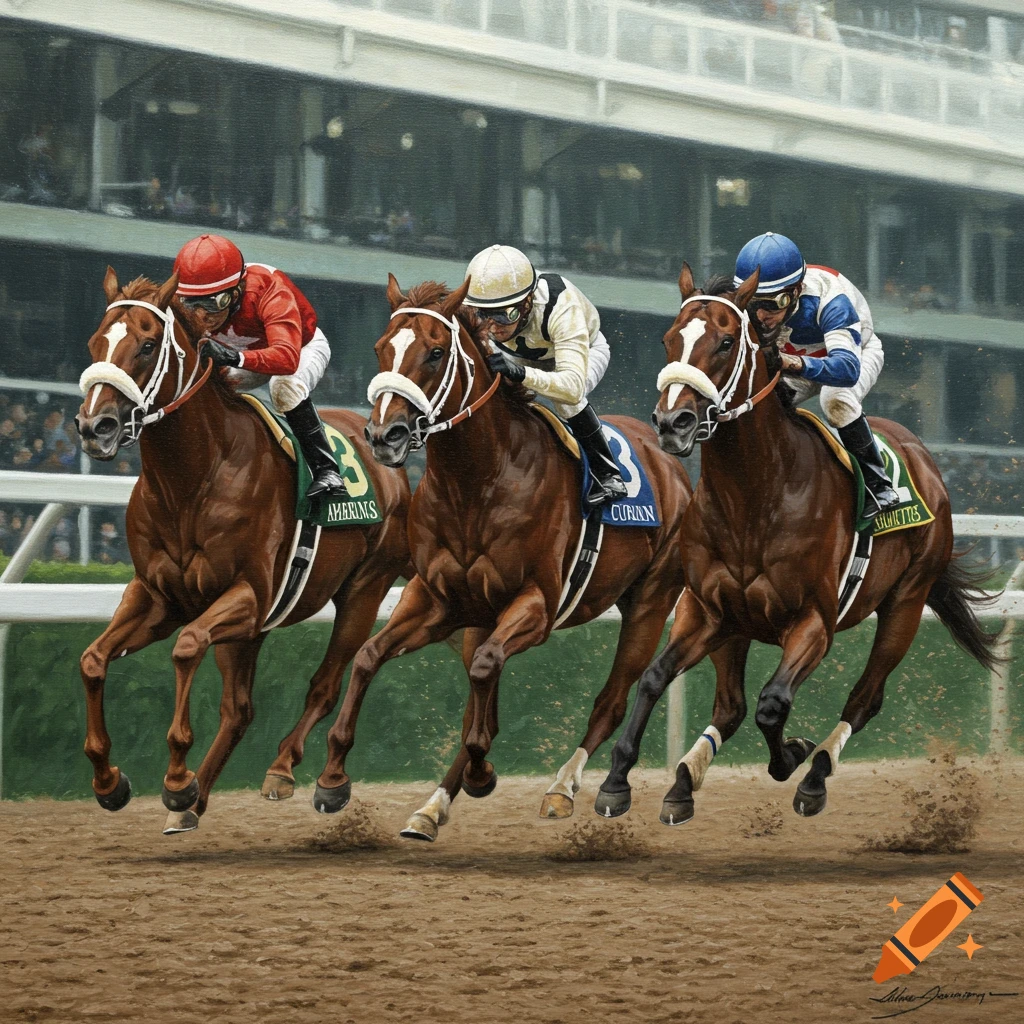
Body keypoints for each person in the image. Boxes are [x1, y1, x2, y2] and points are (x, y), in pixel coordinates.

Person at [734, 231, 900, 520]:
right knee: (760, 402)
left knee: (836, 401)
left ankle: (880, 486)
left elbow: (847, 370)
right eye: (754, 304)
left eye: (773, 304)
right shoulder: (755, 309)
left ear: (795, 291)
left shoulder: (830, 300)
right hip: (798, 357)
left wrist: (793, 362)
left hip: (855, 353)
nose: (761, 315)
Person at [172, 233, 345, 499]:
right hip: (246, 354)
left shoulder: (268, 288)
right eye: (190, 304)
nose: (201, 316)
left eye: (211, 303)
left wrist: (233, 358)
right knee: (207, 387)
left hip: (300, 347)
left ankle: (327, 471)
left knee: (284, 387)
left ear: (237, 290)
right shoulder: (188, 304)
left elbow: (286, 359)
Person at [461, 244, 628, 509]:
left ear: (527, 302)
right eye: (483, 315)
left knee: (566, 401)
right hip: (520, 358)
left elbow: (572, 387)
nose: (492, 326)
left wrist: (522, 374)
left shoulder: (561, 305)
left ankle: (607, 474)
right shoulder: (478, 304)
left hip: (585, 352)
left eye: (505, 315)